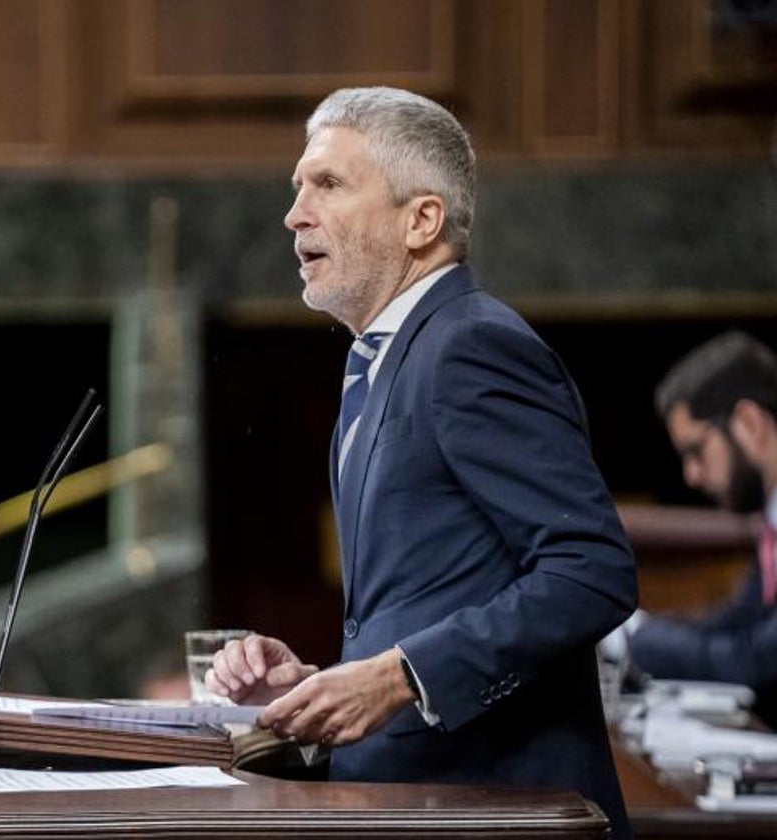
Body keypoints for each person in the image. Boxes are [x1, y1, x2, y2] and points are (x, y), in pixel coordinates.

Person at [206, 87, 638, 838]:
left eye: (328, 185)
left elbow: (591, 570)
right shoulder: (379, 363)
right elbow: (437, 596)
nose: (294, 213)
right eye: (297, 187)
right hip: (419, 802)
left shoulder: (471, 346)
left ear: (422, 220)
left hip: (504, 813)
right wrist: (326, 685)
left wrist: (399, 673)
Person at [610, 331, 777, 725]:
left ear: (749, 423)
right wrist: (638, 629)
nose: (692, 475)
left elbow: (753, 660)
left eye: (696, 451)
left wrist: (631, 640)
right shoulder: (770, 522)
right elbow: (735, 622)